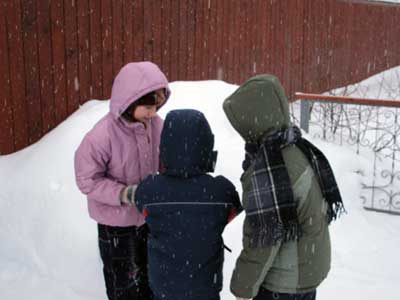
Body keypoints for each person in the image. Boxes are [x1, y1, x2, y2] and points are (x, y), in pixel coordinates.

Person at [222, 74, 345, 300]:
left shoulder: (272, 171)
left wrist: (243, 287)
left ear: (254, 121)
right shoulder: (297, 147)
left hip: (283, 283)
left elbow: (264, 239)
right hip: (307, 270)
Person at [74, 61, 170, 300]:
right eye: (148, 107)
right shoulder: (101, 137)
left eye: (156, 106)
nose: (153, 113)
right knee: (122, 279)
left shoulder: (156, 126)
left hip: (146, 217)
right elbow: (87, 179)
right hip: (114, 224)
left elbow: (165, 160)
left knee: (149, 272)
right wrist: (124, 194)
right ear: (130, 103)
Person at [134, 109, 243, 300]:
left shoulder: (150, 190)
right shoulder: (220, 191)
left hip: (164, 288)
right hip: (205, 288)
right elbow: (233, 210)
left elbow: (141, 206)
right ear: (207, 146)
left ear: (165, 147)